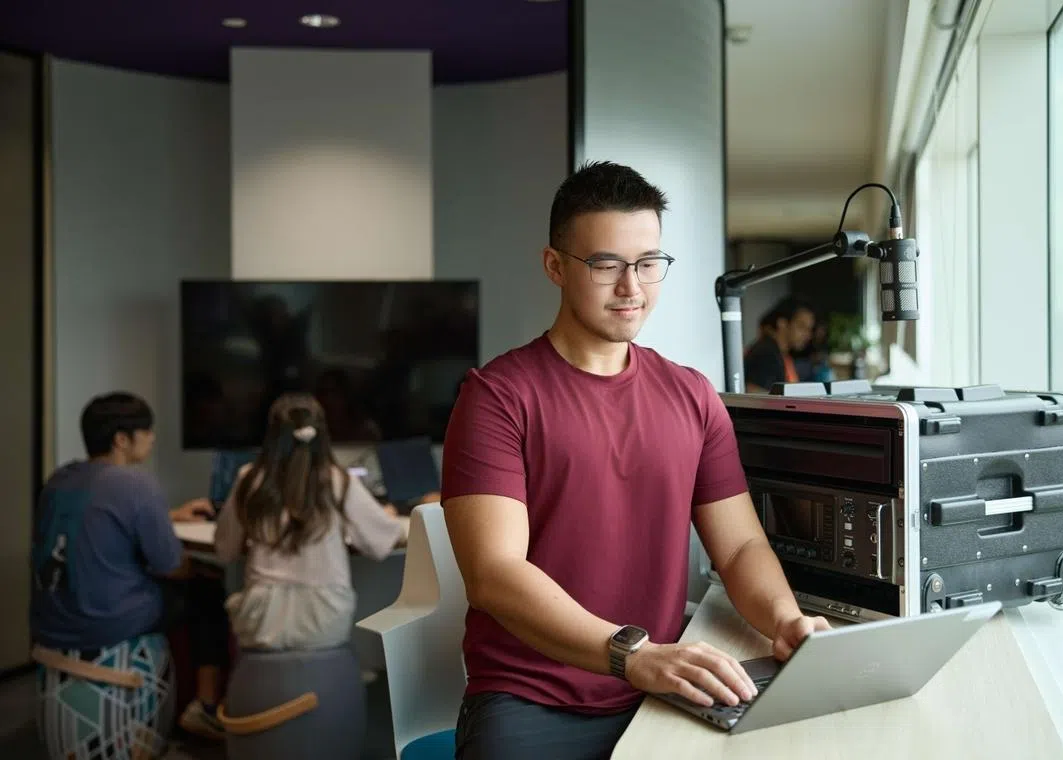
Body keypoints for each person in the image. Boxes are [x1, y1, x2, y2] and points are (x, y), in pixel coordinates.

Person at [441, 161, 830, 760]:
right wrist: (633, 656)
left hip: (664, 688)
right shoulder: (497, 396)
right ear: (555, 267)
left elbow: (739, 547)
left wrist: (785, 621)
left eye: (649, 264)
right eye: (606, 265)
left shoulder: (693, 395)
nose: (633, 288)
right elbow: (494, 574)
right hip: (533, 700)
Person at [30, 392, 230, 740]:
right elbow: (170, 565)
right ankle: (206, 707)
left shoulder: (60, 480)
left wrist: (169, 516)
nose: (152, 438)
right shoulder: (136, 484)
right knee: (207, 590)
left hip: (52, 621)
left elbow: (98, 520)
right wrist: (196, 567)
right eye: (147, 431)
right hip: (105, 623)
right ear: (122, 439)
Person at [214, 393, 409, 651]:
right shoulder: (337, 481)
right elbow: (380, 543)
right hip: (325, 619)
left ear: (271, 436)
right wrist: (387, 519)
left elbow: (225, 549)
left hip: (261, 620)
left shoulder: (249, 479)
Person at [743, 296, 816, 392]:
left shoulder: (779, 353)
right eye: (801, 327)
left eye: (809, 329)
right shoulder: (766, 354)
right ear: (782, 324)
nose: (808, 335)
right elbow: (755, 394)